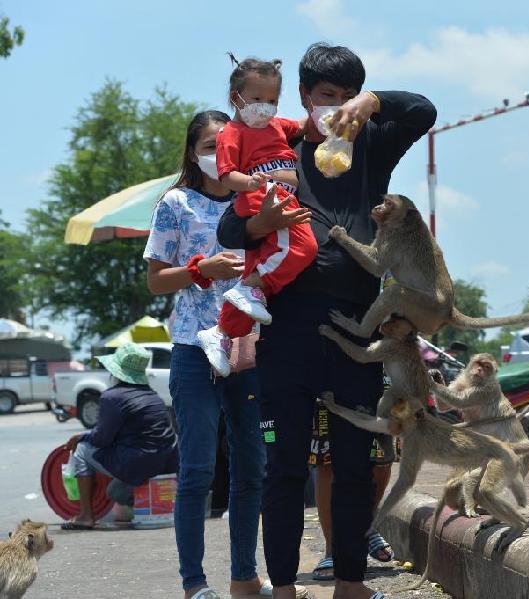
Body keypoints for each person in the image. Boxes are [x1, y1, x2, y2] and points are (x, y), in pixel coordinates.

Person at [218, 42, 436, 599]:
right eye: (326, 97)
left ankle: (350, 582)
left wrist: (372, 102)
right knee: (284, 465)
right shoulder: (278, 144)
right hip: (288, 328)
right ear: (304, 97)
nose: (334, 108)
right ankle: (285, 585)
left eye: (345, 96)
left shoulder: (372, 144)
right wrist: (258, 222)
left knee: (354, 465)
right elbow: (226, 231)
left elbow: (423, 111)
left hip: (357, 329)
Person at [145, 110, 288, 599]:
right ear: (191, 152)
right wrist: (199, 268)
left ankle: (244, 577)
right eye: (207, 145)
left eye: (222, 144)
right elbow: (154, 279)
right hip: (192, 347)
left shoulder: (252, 200)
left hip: (246, 347)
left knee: (252, 467)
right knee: (199, 467)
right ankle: (194, 583)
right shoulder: (174, 203)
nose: (215, 153)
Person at [197, 54, 318, 378]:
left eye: (272, 100)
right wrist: (248, 182)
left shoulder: (278, 126)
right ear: (236, 98)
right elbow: (225, 175)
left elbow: (307, 125)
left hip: (280, 197)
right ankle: (250, 286)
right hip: (264, 199)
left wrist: (331, 116)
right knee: (303, 247)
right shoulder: (232, 133)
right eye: (257, 99)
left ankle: (221, 334)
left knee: (261, 284)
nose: (265, 107)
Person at [61, 342, 178, 530]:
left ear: (115, 372)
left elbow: (101, 439)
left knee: (82, 450)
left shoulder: (112, 397)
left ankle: (86, 516)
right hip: (168, 461)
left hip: (140, 462)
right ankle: (148, 503)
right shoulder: (152, 395)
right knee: (114, 492)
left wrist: (80, 437)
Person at [308, 399, 395, 581]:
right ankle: (332, 549)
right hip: (326, 376)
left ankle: (366, 528)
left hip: (376, 376)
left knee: (381, 457)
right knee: (326, 459)